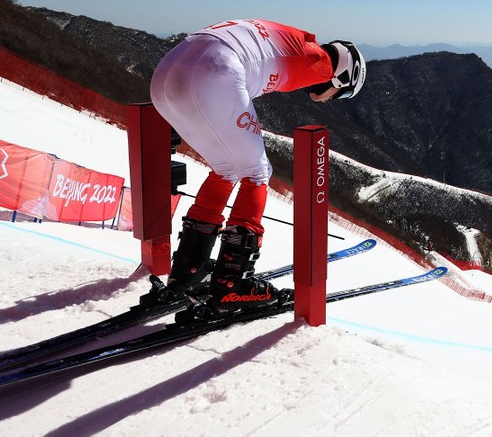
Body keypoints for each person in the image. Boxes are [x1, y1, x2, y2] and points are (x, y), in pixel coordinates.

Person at [148, 18, 366, 314]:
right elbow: (325, 69)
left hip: (165, 75)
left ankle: (187, 270)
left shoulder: (298, 44)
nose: (334, 100)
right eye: (343, 93)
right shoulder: (321, 61)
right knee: (257, 171)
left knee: (226, 169)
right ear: (342, 78)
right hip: (214, 70)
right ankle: (231, 284)